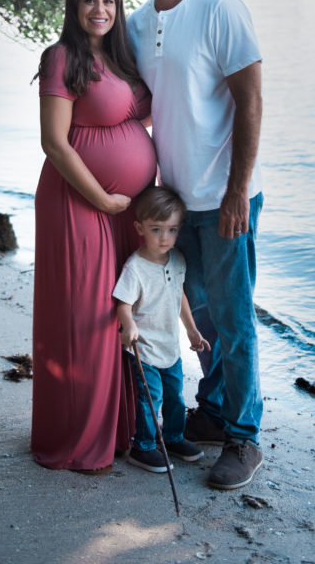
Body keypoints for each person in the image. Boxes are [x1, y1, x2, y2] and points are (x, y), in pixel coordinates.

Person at [126, 0, 264, 491]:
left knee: (233, 318)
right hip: (175, 204)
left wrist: (237, 190)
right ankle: (213, 408)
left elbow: (251, 103)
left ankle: (243, 436)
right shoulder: (134, 24)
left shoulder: (220, 8)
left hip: (226, 196)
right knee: (202, 313)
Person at [32, 0, 157, 474]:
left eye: (108, 0)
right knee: (86, 318)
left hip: (127, 210)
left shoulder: (123, 56)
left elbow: (139, 117)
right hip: (79, 204)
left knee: (123, 313)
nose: (99, 10)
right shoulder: (61, 57)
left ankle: (124, 429)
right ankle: (81, 441)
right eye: (88, 0)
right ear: (73, 6)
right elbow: (54, 143)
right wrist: (103, 200)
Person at [113, 185, 210, 473]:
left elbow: (179, 295)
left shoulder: (177, 258)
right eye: (156, 230)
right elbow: (123, 303)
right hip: (144, 348)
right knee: (150, 398)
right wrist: (128, 325)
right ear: (139, 227)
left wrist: (192, 331)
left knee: (176, 397)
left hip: (171, 346)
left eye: (172, 230)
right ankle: (143, 447)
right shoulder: (135, 267)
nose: (165, 238)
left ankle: (173, 438)